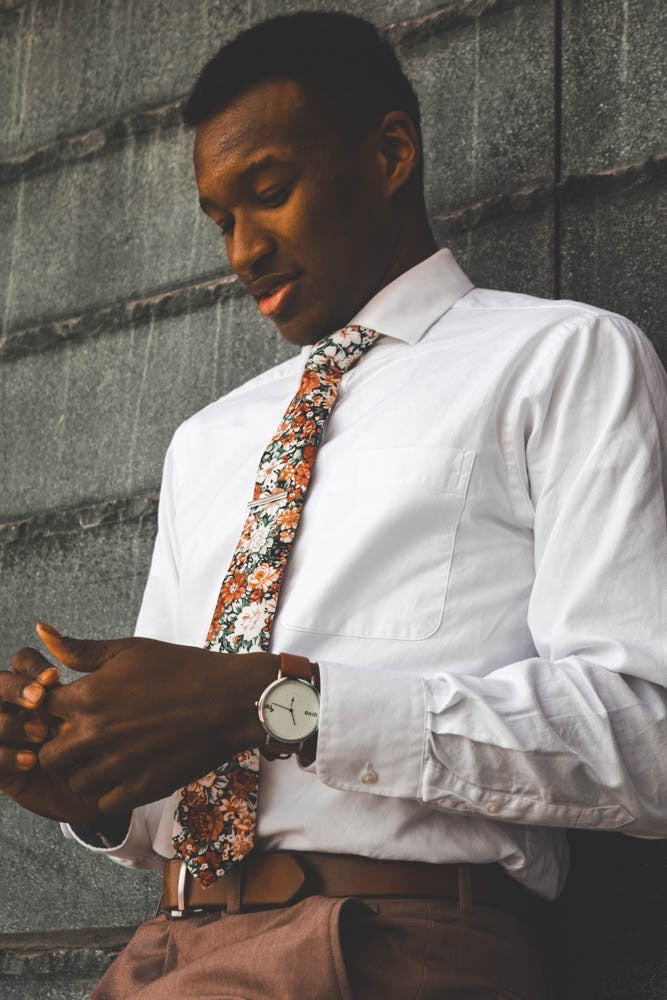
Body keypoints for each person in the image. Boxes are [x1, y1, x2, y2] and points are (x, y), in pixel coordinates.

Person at [1, 11, 665, 999]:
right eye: (220, 218)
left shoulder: (557, 361)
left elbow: (645, 736)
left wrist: (276, 702)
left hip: (386, 945)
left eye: (268, 194)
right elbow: (160, 813)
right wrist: (88, 787)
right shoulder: (207, 442)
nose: (241, 250)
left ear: (391, 153)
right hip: (162, 956)